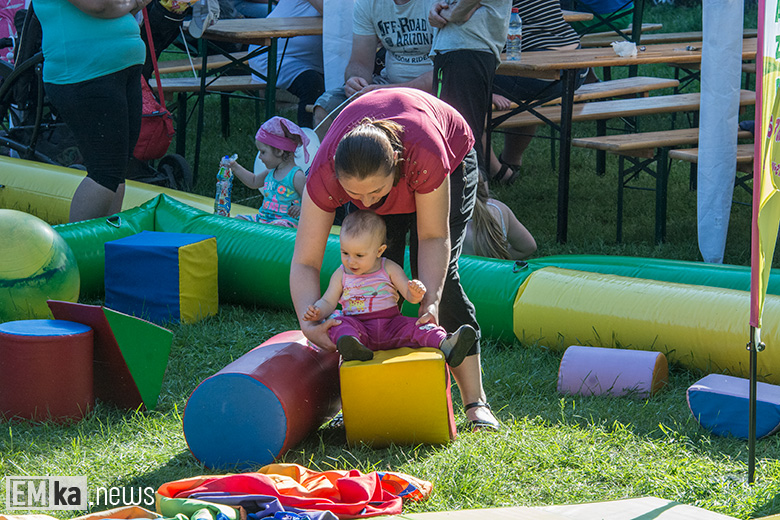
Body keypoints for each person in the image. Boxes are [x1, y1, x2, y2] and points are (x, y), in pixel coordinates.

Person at [291, 87, 500, 431]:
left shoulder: (424, 156)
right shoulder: (325, 174)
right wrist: (308, 320)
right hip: (378, 159)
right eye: (355, 195)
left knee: (437, 282)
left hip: (447, 155)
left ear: (395, 172)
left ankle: (475, 402)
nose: (368, 202)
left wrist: (429, 300)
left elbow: (434, 236)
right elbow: (305, 262)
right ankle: (371, 391)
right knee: (367, 277)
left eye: (376, 192)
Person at [304, 209, 477, 365]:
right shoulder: (341, 274)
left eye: (359, 255)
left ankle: (445, 343)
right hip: (358, 325)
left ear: (379, 251)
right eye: (345, 253)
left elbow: (408, 295)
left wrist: (415, 292)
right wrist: (318, 310)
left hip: (392, 324)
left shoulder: (388, 267)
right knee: (338, 323)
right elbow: (329, 300)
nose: (351, 261)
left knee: (420, 325)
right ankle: (352, 347)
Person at [36, 0, 152, 222]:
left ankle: (101, 249)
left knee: (116, 169)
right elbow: (99, 5)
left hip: (120, 68)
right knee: (105, 171)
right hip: (85, 71)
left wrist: (125, 4)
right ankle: (74, 251)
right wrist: (126, 4)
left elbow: (126, 4)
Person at [488, 0, 587, 184]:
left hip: (541, 69)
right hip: (577, 67)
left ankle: (494, 169)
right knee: (528, 97)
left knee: (465, 82)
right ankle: (511, 159)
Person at [311, 0, 436, 137]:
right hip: (387, 85)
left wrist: (391, 91)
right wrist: (355, 82)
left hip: (436, 91)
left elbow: (446, 74)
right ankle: (328, 158)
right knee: (326, 110)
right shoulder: (368, 3)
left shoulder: (439, 3)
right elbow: (360, 62)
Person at [429, 0, 510, 173]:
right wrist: (437, 10)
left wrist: (453, 13)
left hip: (465, 48)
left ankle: (476, 198)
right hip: (463, 49)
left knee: (460, 143)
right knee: (461, 138)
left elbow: (461, 11)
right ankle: (476, 197)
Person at [247, 0, 324, 128]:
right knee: (312, 84)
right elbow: (333, 11)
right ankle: (307, 142)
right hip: (272, 53)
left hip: (308, 57)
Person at [230, 116, 308, 226]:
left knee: (278, 226)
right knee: (238, 219)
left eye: (263, 152)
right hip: (264, 219)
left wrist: (300, 208)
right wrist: (234, 167)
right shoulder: (271, 171)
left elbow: (311, 200)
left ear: (279, 151)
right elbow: (253, 181)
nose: (260, 157)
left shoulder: (296, 176)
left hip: (287, 222)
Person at [463, 175, 536, 260]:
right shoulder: (498, 208)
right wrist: (500, 262)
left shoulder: (451, 225)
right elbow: (528, 247)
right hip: (499, 271)